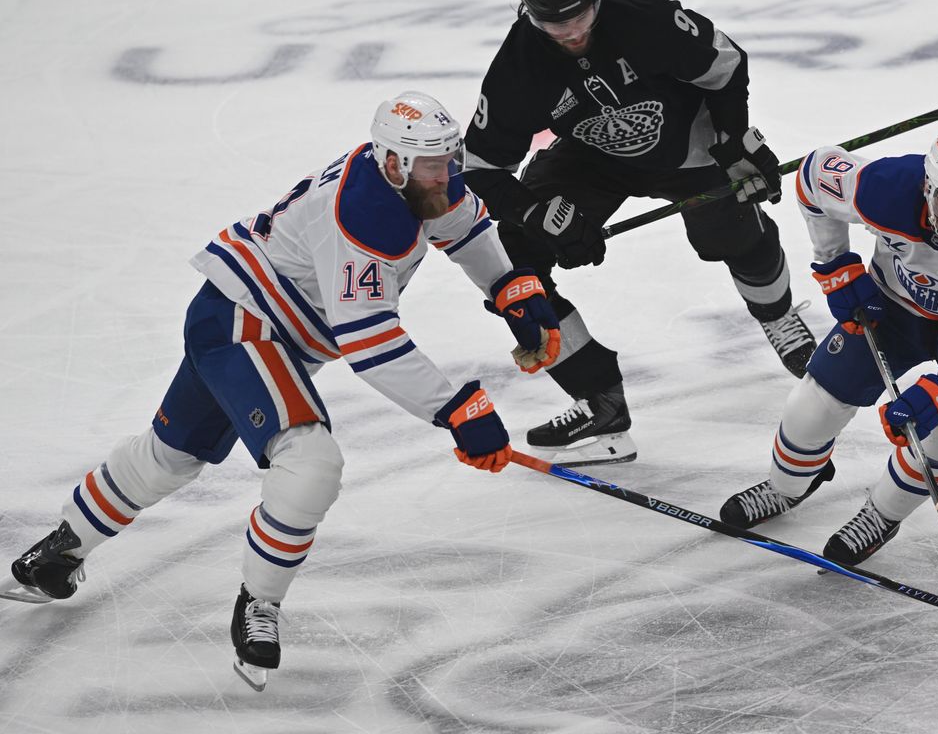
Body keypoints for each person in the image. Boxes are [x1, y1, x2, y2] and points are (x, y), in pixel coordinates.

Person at [0, 92, 561, 691]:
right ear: (393, 162)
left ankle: (59, 551)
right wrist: (458, 412)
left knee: (172, 456)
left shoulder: (415, 178)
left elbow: (466, 228)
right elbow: (370, 344)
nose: (447, 174)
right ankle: (258, 606)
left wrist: (510, 289)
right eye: (433, 164)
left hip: (248, 321)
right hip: (245, 325)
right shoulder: (363, 212)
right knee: (311, 462)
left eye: (450, 159)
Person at [462, 0, 816, 466]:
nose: (576, 30)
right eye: (558, 24)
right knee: (513, 263)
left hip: (688, 143)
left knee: (727, 231)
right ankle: (598, 398)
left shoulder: (639, 14)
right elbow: (481, 169)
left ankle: (778, 314)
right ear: (530, 15)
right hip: (592, 159)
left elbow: (724, 64)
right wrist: (536, 214)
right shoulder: (518, 66)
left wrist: (734, 137)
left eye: (584, 12)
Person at [720, 131, 938, 566]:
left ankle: (881, 515)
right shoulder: (888, 186)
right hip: (890, 303)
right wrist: (834, 264)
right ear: (929, 189)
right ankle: (786, 487)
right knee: (814, 403)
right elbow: (814, 175)